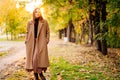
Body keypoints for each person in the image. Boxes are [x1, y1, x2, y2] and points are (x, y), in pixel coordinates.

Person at [25, 8, 50, 80]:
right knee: (32, 59)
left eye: (39, 12)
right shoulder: (30, 22)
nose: (37, 13)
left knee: (36, 58)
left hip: (41, 42)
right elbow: (27, 32)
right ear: (34, 13)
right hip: (31, 42)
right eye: (36, 12)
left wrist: (47, 40)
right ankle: (36, 76)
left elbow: (48, 31)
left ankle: (40, 74)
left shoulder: (44, 22)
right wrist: (26, 40)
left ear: (40, 13)